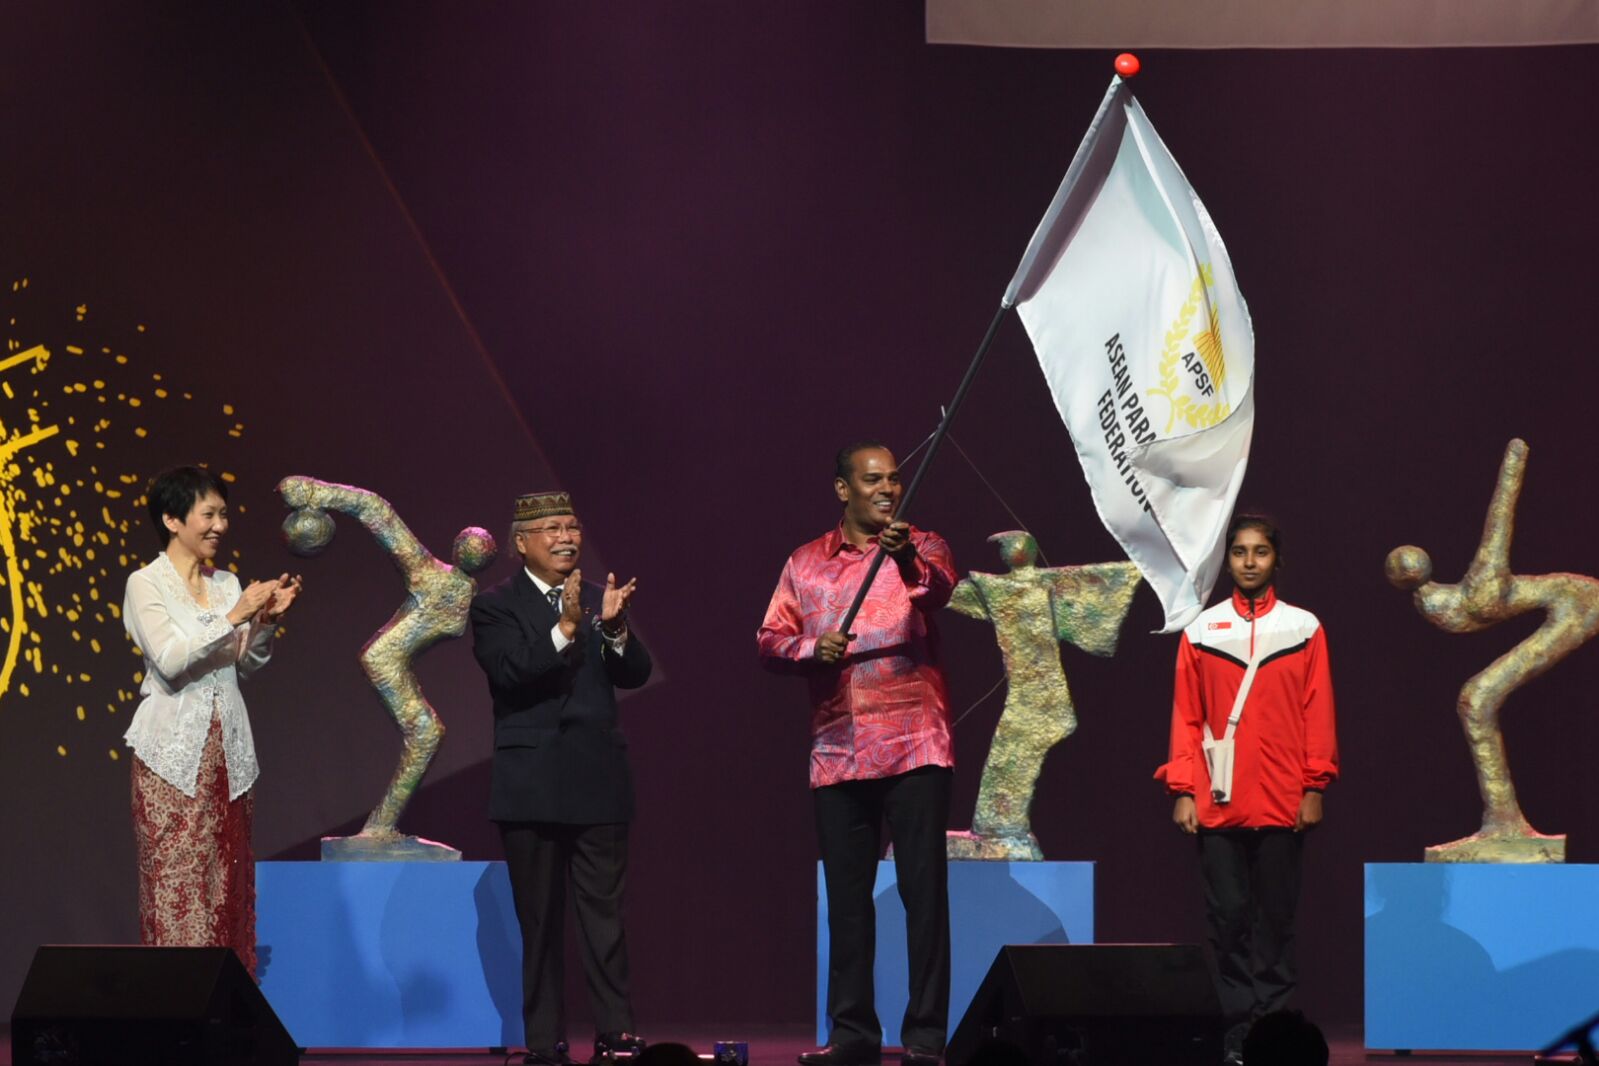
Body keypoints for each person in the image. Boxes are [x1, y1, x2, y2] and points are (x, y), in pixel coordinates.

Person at [758, 442, 955, 1066]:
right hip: (838, 748)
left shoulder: (923, 545)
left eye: (893, 479)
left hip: (914, 741)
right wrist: (809, 649)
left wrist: (904, 558)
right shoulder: (805, 562)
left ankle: (925, 1037)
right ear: (844, 489)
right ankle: (853, 1035)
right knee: (847, 902)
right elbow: (769, 637)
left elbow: (939, 591)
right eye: (873, 480)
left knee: (924, 896)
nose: (888, 489)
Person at [470, 491, 651, 1066]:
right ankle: (545, 1040)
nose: (567, 537)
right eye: (551, 528)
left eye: (572, 526)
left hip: (598, 779)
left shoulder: (601, 596)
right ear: (521, 542)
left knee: (605, 920)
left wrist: (614, 630)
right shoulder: (495, 605)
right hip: (531, 783)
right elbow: (510, 671)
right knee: (540, 921)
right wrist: (568, 627)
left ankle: (616, 1033)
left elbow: (636, 673)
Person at [1154, 514, 1337, 1065]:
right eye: (1239, 551)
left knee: (1275, 922)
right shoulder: (1202, 630)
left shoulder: (1303, 628)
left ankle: (1275, 1030)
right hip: (1218, 802)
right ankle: (1237, 1031)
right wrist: (1183, 789)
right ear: (1228, 559)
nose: (1250, 561)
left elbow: (1317, 711)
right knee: (1228, 921)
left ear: (1277, 559)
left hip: (1284, 802)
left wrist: (1314, 785)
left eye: (1260, 551)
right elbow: (1187, 716)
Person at [123, 465, 302, 977]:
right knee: (176, 884)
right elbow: (170, 660)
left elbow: (245, 663)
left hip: (229, 756)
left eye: (224, 514)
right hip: (171, 759)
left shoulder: (226, 583)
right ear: (173, 520)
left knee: (225, 883)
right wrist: (235, 615)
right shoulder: (145, 584)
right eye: (208, 514)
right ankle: (176, 1005)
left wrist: (265, 623)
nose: (220, 525)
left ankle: (225, 1004)